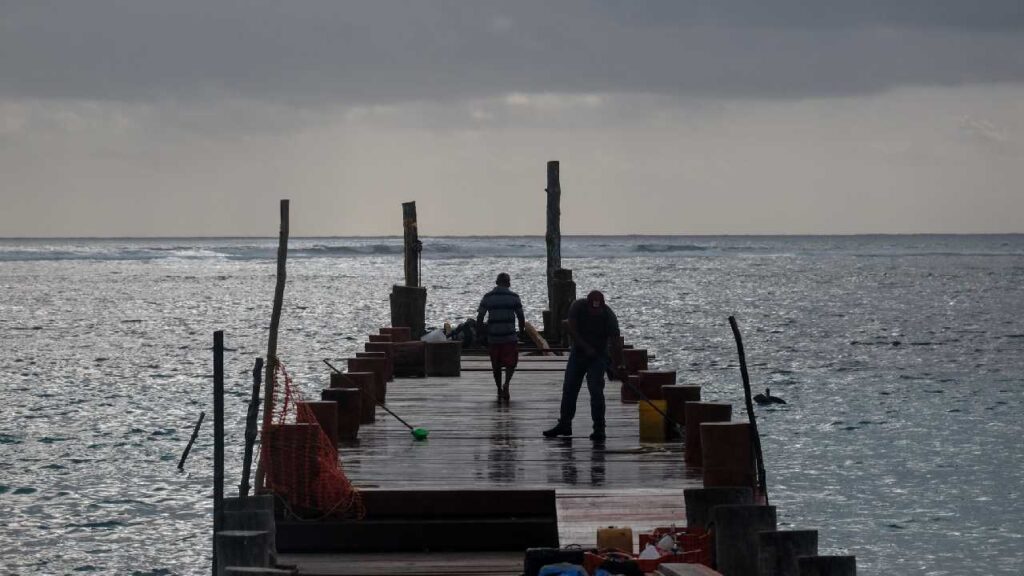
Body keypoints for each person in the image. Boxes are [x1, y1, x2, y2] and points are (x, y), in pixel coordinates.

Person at [543, 290, 624, 441]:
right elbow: (570, 328)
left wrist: (617, 365)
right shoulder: (577, 307)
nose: (595, 312)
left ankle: (599, 428)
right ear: (587, 304)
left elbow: (615, 343)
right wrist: (585, 347)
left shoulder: (609, 316)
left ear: (603, 306)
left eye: (597, 310)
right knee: (569, 388)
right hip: (578, 354)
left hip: (599, 356)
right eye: (592, 310)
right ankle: (565, 425)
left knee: (596, 391)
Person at [476, 272, 526, 402]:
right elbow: (521, 317)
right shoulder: (514, 297)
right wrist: (521, 332)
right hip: (510, 336)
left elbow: (480, 317)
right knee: (511, 363)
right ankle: (507, 384)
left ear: (496, 282)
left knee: (496, 366)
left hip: (493, 336)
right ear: (508, 283)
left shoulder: (488, 297)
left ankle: (499, 388)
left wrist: (480, 334)